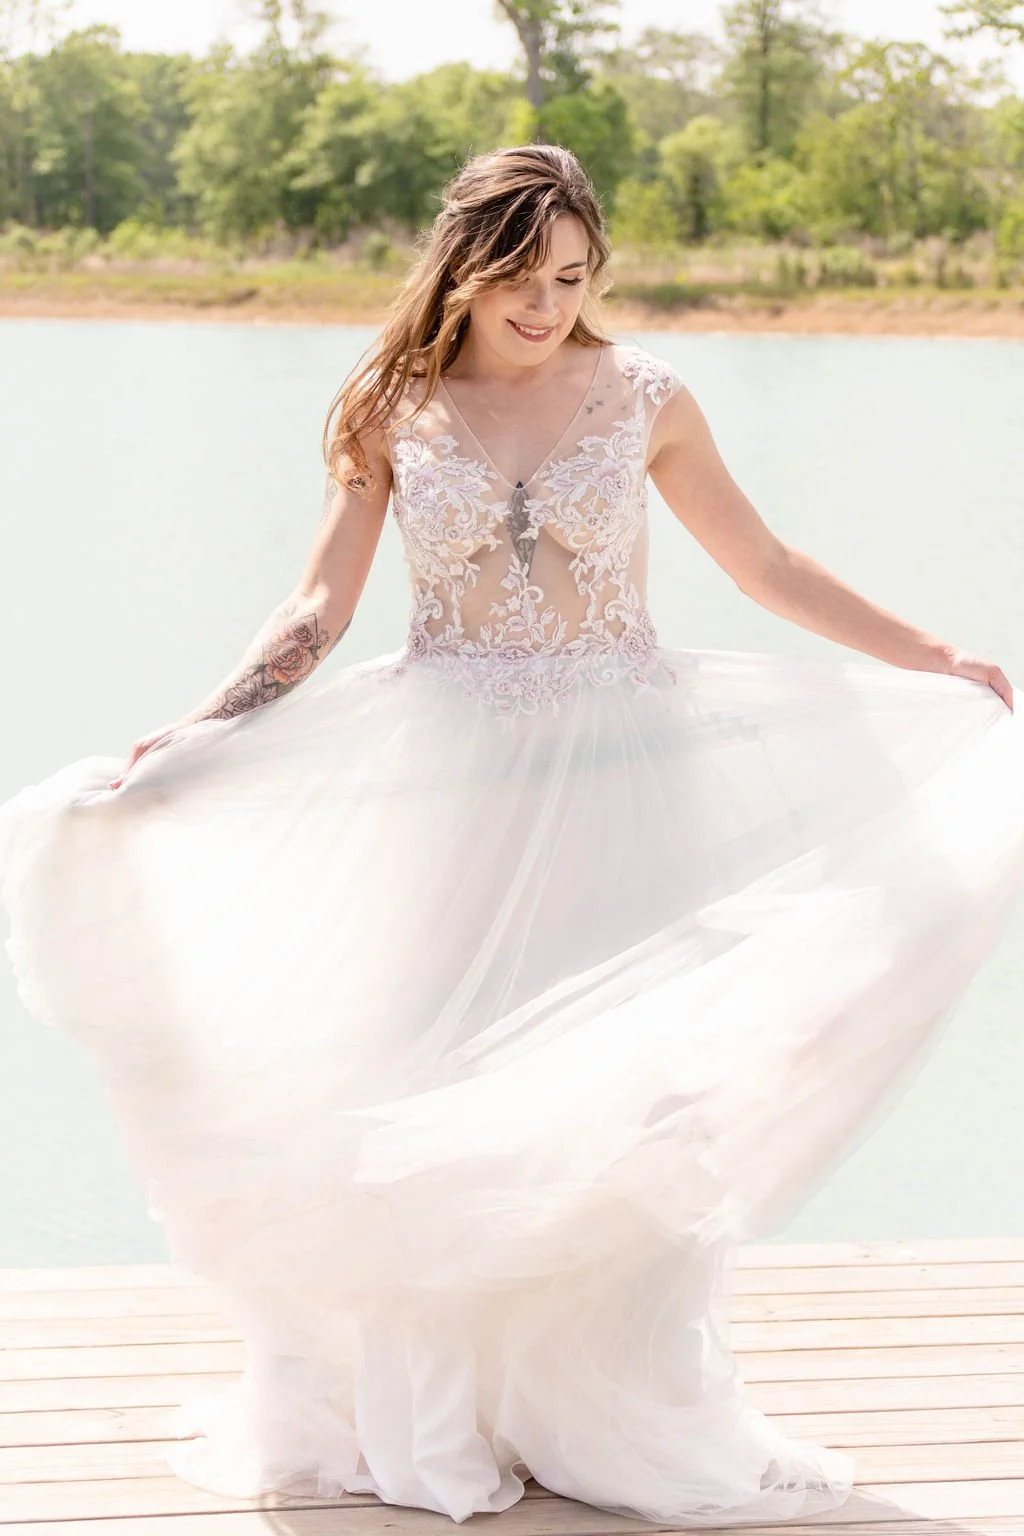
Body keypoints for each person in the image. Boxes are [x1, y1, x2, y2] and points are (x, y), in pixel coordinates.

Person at [2, 143, 1024, 1528]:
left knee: (628, 1099)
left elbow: (766, 565)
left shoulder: (648, 397)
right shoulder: (390, 406)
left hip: (622, 777)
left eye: (573, 278)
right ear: (463, 271)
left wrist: (934, 654)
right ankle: (449, 1409)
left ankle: (604, 1405)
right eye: (521, 279)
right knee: (437, 1082)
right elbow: (318, 607)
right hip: (453, 785)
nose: (548, 307)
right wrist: (199, 725)